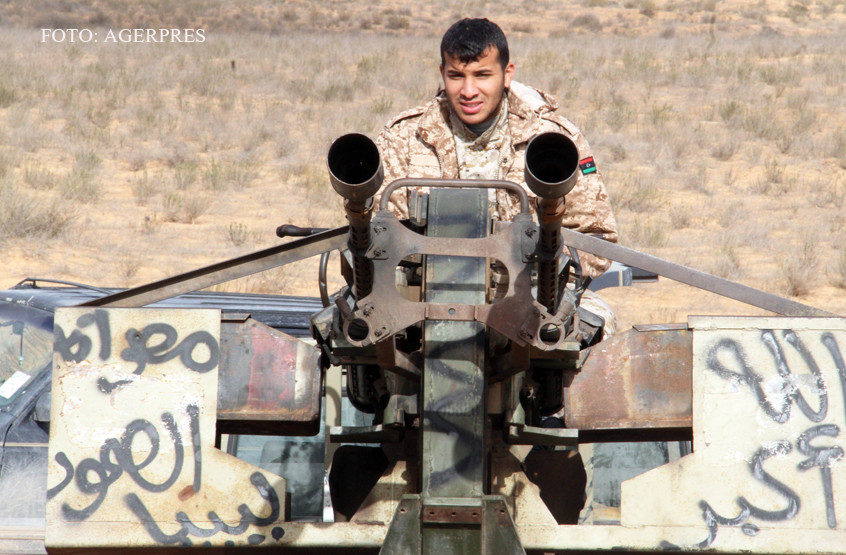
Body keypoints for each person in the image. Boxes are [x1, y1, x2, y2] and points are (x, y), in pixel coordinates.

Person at [375, 17, 618, 335]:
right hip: (419, 306)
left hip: (531, 306)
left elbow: (597, 238)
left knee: (596, 328)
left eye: (482, 75)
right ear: (442, 73)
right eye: (456, 76)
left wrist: (546, 281)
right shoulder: (403, 137)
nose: (468, 90)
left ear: (507, 74)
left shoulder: (555, 140)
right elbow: (377, 238)